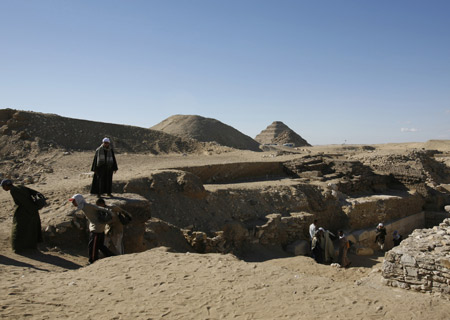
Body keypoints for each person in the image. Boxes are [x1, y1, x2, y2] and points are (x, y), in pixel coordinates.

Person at [69, 194, 115, 264]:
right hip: (98, 228)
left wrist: (110, 213)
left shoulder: (87, 206)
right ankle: (111, 256)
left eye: (74, 201)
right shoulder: (82, 206)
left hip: (97, 229)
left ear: (78, 200)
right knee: (100, 245)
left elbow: (99, 208)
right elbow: (76, 210)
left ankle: (93, 260)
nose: (73, 203)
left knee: (92, 246)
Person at [1, 179, 43, 253]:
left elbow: (24, 202)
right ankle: (30, 247)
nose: (3, 189)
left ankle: (18, 248)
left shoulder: (13, 190)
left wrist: (30, 210)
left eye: (3, 187)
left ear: (5, 186)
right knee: (30, 228)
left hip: (26, 212)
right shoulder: (19, 186)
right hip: (32, 211)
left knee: (19, 229)